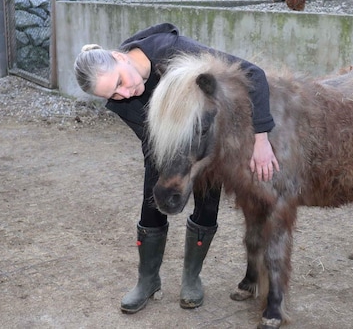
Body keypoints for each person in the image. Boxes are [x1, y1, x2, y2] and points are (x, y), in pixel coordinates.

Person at [73, 23, 280, 314]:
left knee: (207, 207)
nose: (125, 93)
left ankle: (191, 278)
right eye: (114, 94)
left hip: (203, 147)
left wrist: (261, 140)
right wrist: (170, 175)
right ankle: (147, 281)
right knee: (153, 204)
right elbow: (149, 139)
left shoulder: (172, 51)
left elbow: (254, 75)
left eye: (120, 82)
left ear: (119, 57)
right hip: (163, 153)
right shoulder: (119, 100)